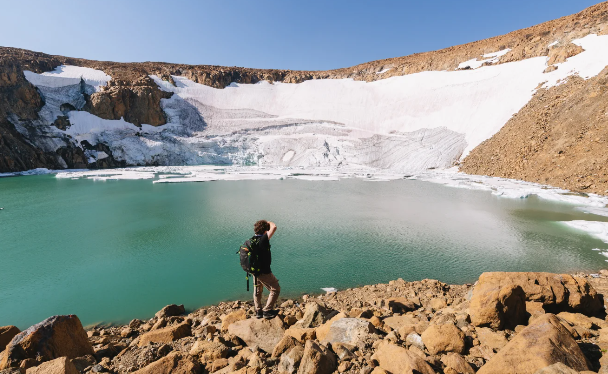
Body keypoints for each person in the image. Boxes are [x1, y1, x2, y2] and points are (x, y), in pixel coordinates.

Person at [252, 219, 281, 319]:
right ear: (265, 231)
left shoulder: (253, 239)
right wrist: (269, 222)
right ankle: (267, 311)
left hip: (254, 271)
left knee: (257, 290)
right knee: (275, 288)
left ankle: (258, 311)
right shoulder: (263, 239)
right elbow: (274, 227)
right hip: (264, 272)